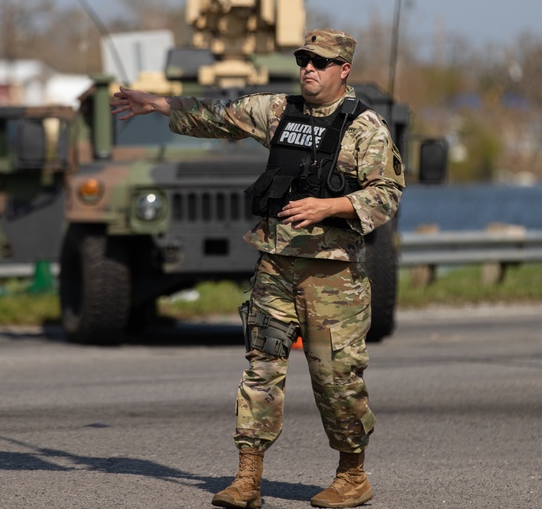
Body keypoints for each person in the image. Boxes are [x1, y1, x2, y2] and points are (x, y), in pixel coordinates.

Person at [111, 28, 405, 508]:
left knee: (337, 379)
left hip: (331, 276)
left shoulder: (365, 128)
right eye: (304, 59)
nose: (308, 68)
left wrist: (328, 208)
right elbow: (219, 116)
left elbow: (387, 193)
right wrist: (159, 104)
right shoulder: (278, 111)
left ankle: (352, 475)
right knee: (261, 370)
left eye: (320, 62)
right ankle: (248, 478)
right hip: (275, 266)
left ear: (344, 69)